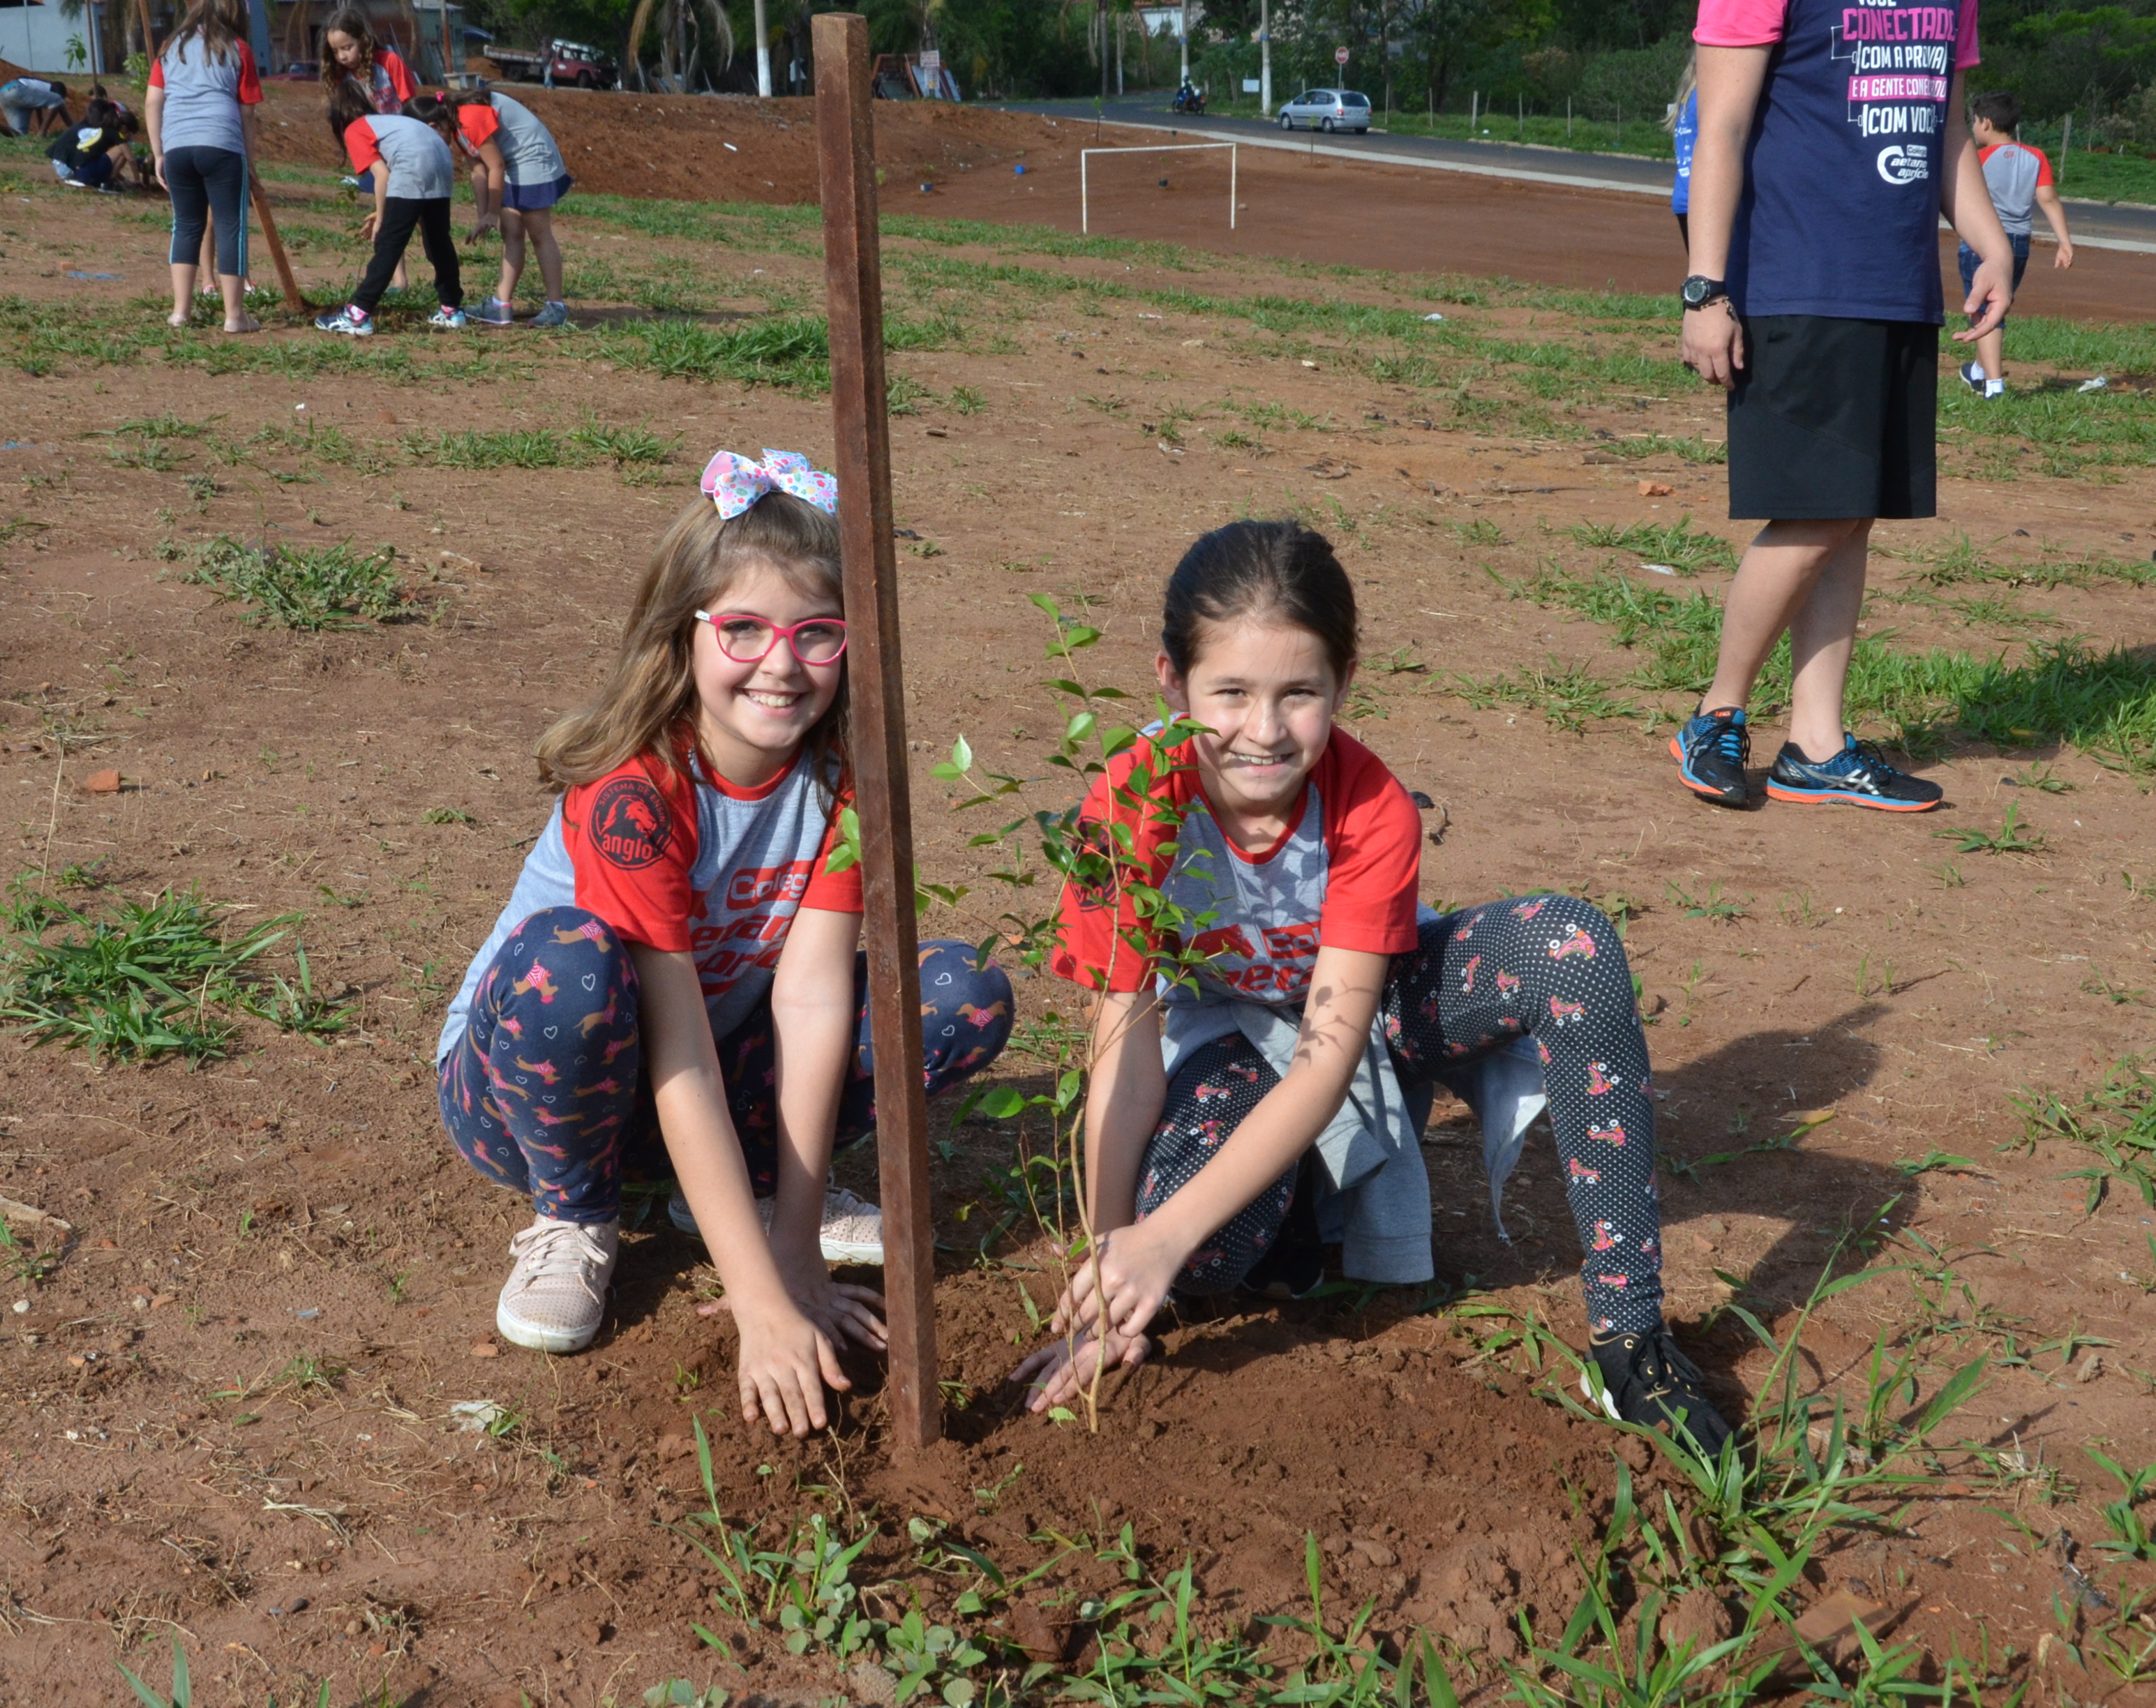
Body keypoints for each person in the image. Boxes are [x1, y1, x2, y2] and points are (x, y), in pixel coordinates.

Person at [1010, 520, 1732, 1457]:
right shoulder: (1134, 800)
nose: (1264, 732)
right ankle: (1301, 1213)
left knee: (1572, 946)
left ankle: (1632, 1338)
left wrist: (1163, 1233)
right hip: (1212, 1044)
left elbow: (1325, 1056)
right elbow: (1125, 1057)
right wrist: (1116, 1259)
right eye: (1229, 693)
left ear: (1343, 683)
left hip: (1353, 1026)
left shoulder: (1368, 804)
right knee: (1203, 1255)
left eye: (1298, 695)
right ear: (1171, 682)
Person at [437, 450, 1013, 1432]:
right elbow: (675, 1044)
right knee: (569, 965)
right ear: (682, 634)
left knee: (959, 991)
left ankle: (741, 1192)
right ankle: (576, 1214)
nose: (781, 664)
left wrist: (791, 1249)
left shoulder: (845, 782)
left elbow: (814, 999)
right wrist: (756, 1302)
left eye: (817, 634)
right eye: (743, 628)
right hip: (536, 1088)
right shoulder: (635, 789)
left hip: (712, 1065)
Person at [1670, 0, 2012, 812]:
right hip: (1795, 279)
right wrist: (1704, 289)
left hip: (1894, 284)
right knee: (1812, 515)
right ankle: (1716, 713)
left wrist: (1989, 241)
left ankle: (1815, 743)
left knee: (1850, 515)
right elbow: (1719, 124)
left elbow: (1947, 126)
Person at [146, 0, 264, 334]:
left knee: (185, 225)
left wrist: (159, 153)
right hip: (222, 144)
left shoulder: (170, 47)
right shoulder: (239, 49)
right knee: (230, 227)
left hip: (178, 147)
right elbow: (248, 113)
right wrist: (250, 163)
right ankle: (234, 316)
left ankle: (180, 312)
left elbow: (154, 100)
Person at [314, 84, 467, 334]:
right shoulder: (388, 122)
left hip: (414, 164)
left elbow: (382, 176)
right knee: (439, 242)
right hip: (441, 159)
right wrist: (383, 211)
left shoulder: (355, 129)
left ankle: (358, 314)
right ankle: (452, 309)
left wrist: (382, 220)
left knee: (389, 243)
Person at [1957, 91, 2074, 400]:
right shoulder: (2035, 156)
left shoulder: (1975, 159)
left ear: (1987, 123)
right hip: (2019, 244)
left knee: (1984, 310)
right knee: (1998, 305)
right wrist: (2064, 243)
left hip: (1982, 244)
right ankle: (1978, 371)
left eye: (1975, 121)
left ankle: (1993, 386)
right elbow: (2048, 199)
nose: (1973, 128)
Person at [451, 91, 573, 328]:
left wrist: (492, 212)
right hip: (513, 161)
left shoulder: (468, 117)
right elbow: (479, 170)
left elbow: (496, 166)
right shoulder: (456, 126)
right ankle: (500, 305)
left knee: (539, 232)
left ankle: (556, 307)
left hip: (532, 157)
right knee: (511, 230)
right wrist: (483, 215)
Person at [320, 5, 416, 112]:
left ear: (363, 40)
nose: (342, 57)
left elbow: (410, 103)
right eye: (335, 51)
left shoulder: (389, 61)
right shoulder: (340, 74)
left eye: (347, 48)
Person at [47, 98, 137, 192]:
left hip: (60, 166)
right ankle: (108, 183)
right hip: (69, 168)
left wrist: (124, 180)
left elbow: (105, 161)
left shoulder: (83, 126)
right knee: (120, 151)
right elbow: (121, 159)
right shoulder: (98, 132)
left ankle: (106, 181)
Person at [1668, 56, 1697, 248]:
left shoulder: (1685, 100)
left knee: (1700, 273)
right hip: (1704, 199)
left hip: (1683, 197)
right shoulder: (1707, 98)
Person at [0, 76, 71, 137]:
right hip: (17, 89)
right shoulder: (54, 89)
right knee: (57, 100)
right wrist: (75, 130)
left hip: (3, 93)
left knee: (20, 134)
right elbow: (61, 108)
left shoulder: (39, 89)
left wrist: (41, 129)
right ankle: (41, 135)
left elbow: (39, 112)